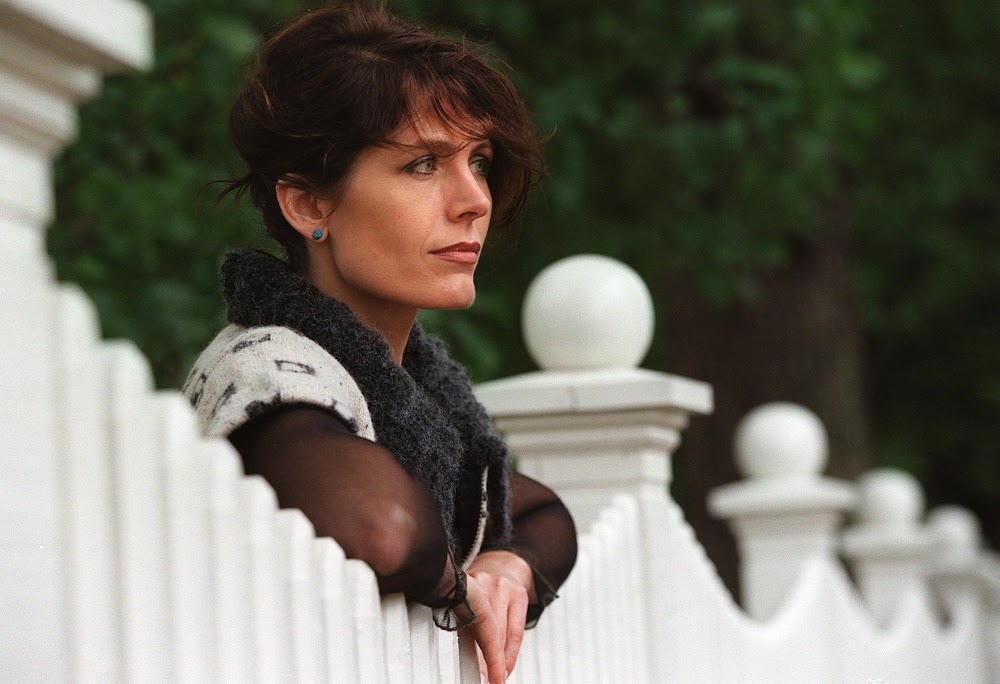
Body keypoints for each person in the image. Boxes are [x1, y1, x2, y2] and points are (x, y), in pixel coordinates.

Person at [182, 3, 577, 682]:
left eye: (479, 162)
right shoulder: (265, 366)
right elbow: (382, 527)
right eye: (423, 164)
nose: (475, 200)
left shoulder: (416, 403)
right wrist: (462, 591)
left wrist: (508, 565)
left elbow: (538, 511)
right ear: (309, 204)